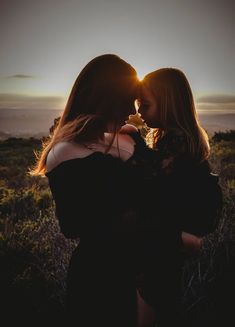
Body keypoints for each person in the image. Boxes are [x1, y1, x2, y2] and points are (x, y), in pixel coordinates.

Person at [31, 55, 184, 327]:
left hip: (153, 276)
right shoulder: (66, 153)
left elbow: (169, 187)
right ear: (104, 99)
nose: (132, 110)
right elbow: (78, 224)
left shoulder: (129, 137)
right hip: (103, 281)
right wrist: (175, 236)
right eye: (126, 99)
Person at [126, 67, 222, 326]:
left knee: (156, 305)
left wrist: (132, 141)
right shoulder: (178, 137)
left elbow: (152, 180)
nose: (139, 112)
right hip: (171, 244)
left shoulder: (177, 141)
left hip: (166, 248)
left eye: (145, 105)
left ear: (168, 104)